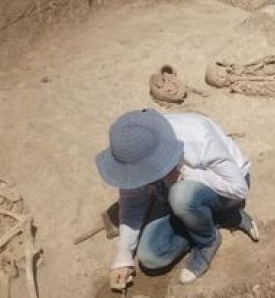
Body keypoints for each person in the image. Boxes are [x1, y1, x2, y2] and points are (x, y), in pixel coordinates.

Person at [95, 109, 259, 291]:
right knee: (151, 257)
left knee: (182, 195)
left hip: (224, 190)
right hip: (174, 195)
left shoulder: (197, 136)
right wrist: (123, 256)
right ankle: (211, 219)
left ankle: (207, 241)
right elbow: (132, 201)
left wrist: (189, 174)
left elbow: (238, 189)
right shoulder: (134, 153)